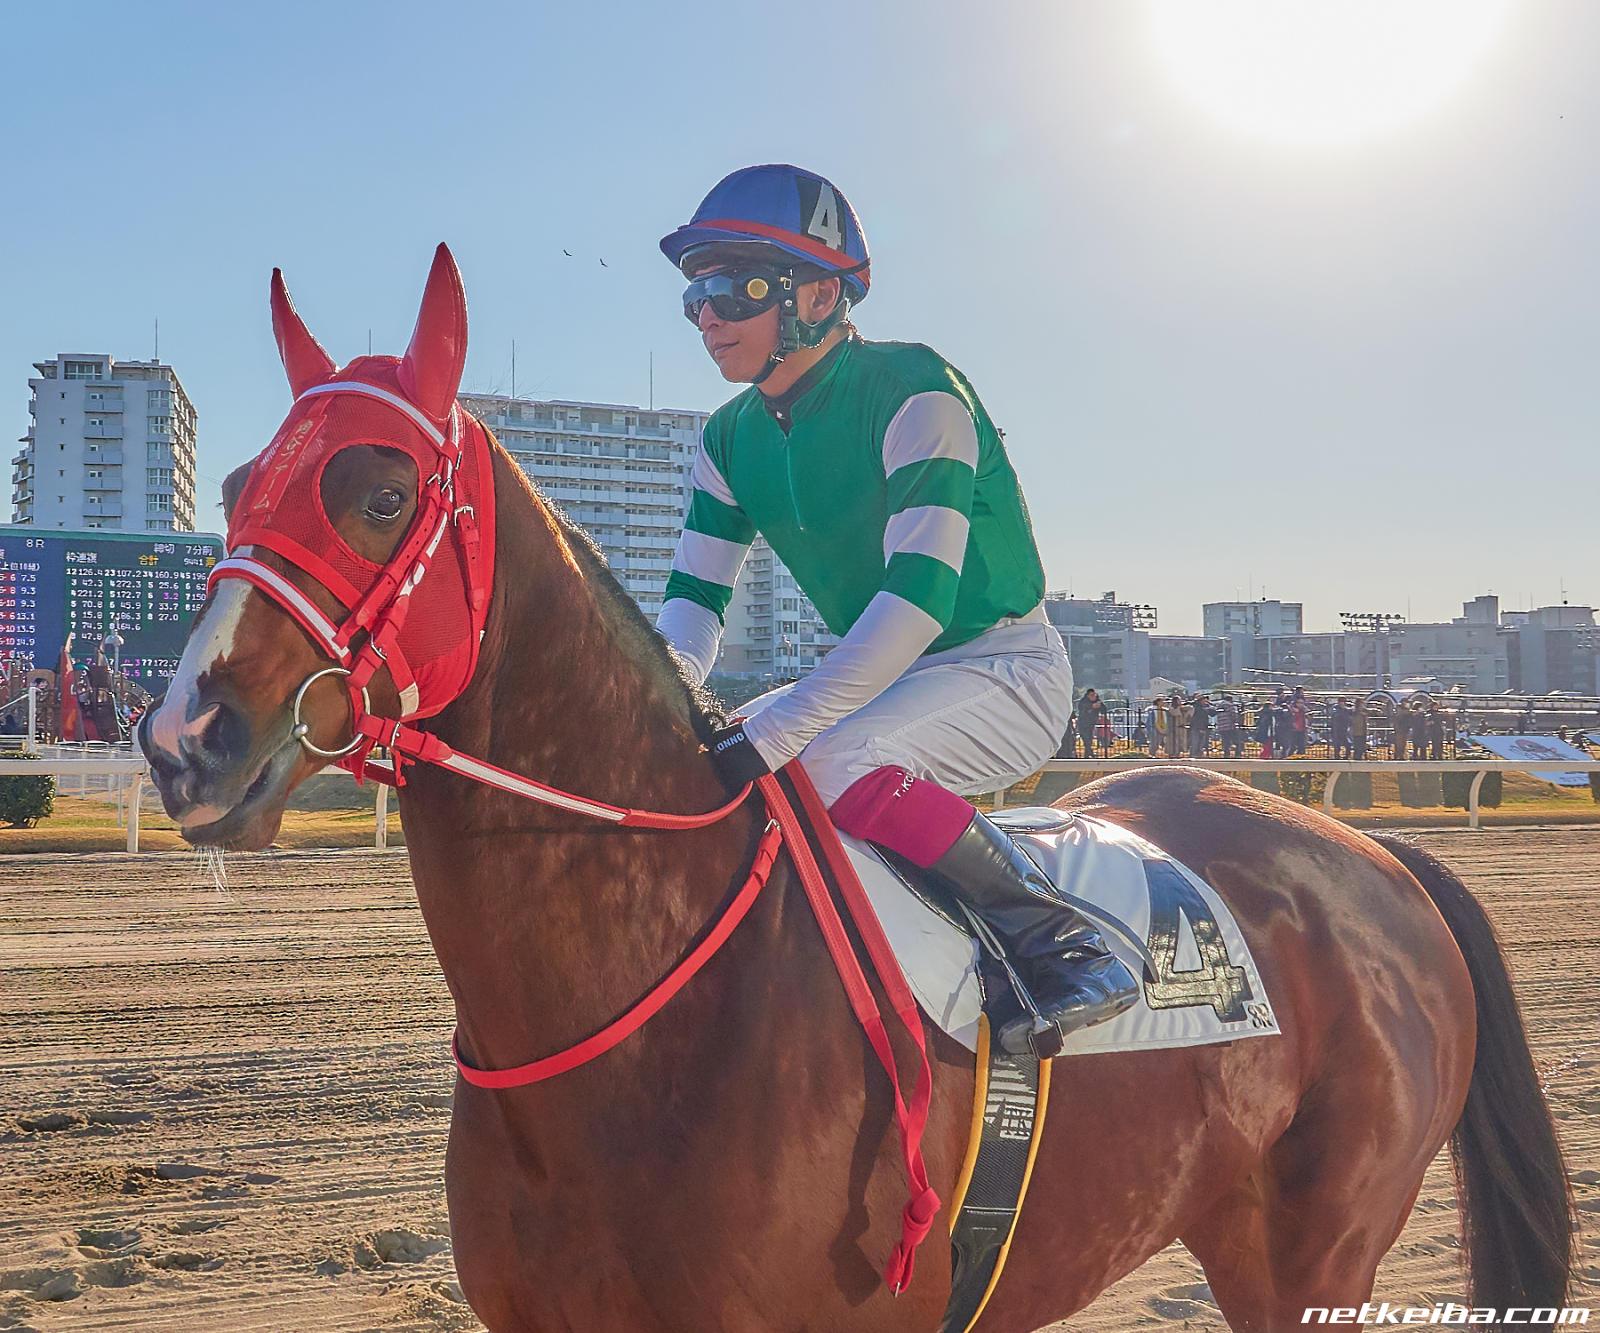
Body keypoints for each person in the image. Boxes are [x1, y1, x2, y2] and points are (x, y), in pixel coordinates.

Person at [655, 164, 1136, 1055]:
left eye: (732, 287)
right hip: (886, 677)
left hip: (1002, 667)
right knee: (705, 763)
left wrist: (780, 726)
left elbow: (917, 602)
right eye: (695, 295)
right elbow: (694, 599)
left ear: (819, 293)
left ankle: (1066, 943)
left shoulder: (918, 388)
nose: (706, 316)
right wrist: (663, 701)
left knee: (827, 756)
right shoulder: (728, 435)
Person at [1076, 688, 1106, 762]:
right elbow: (1082, 709)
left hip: (1091, 724)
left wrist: (1100, 705)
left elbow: (1104, 710)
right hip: (1082, 724)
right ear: (1088, 695)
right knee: (1086, 739)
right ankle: (1090, 753)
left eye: (1094, 695)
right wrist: (1091, 706)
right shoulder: (1083, 701)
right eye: (1091, 695)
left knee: (1090, 739)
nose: (1093, 696)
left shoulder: (1097, 701)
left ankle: (1088, 755)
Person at [1216, 693, 1244, 759]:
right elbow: (1233, 715)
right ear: (1230, 700)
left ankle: (1226, 753)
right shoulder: (1230, 705)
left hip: (1221, 726)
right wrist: (1236, 721)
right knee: (1236, 740)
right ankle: (1238, 753)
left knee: (1225, 741)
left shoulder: (1219, 706)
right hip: (1229, 726)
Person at [1188, 692, 1212, 758]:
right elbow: (1198, 718)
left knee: (1200, 742)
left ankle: (1198, 754)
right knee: (1196, 741)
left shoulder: (1204, 707)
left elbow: (1213, 712)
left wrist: (1209, 705)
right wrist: (1201, 728)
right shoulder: (1197, 707)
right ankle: (1194, 754)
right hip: (1197, 727)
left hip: (1202, 726)